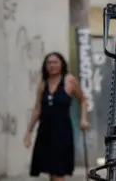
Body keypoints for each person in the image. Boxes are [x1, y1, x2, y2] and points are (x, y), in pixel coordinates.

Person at [24, 52, 89, 181]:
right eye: (49, 63)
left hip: (62, 131)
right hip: (45, 131)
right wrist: (29, 131)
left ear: (61, 64)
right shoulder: (43, 83)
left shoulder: (69, 80)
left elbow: (83, 100)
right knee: (50, 171)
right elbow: (37, 109)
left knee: (58, 172)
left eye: (55, 62)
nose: (52, 65)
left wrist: (83, 119)